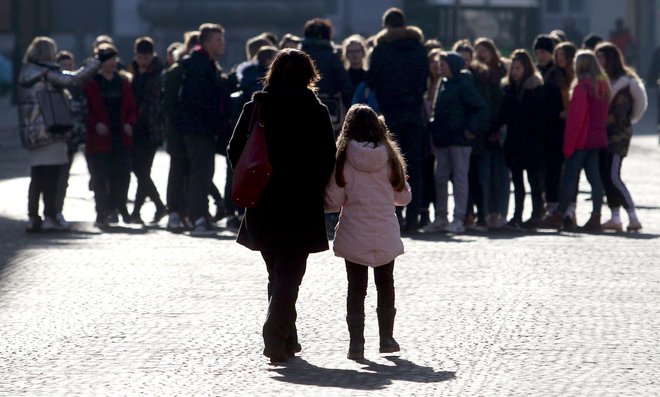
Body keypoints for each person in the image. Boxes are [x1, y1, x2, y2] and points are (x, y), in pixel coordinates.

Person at [227, 49, 336, 364]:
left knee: (276, 271)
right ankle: (275, 337)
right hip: (301, 202)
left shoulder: (257, 106)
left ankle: (287, 338)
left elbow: (235, 148)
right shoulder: (315, 110)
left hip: (263, 199)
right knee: (290, 274)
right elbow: (327, 157)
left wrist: (254, 180)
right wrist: (313, 185)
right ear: (308, 76)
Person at [324, 104, 411, 360]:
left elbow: (332, 201)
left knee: (356, 288)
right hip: (384, 231)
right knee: (386, 283)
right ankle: (386, 338)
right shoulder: (390, 158)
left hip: (354, 233)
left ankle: (356, 343)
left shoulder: (343, 159)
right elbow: (403, 197)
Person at [18, 36, 101, 232]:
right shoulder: (48, 73)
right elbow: (73, 80)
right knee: (53, 177)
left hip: (32, 133)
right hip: (51, 130)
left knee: (36, 176)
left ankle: (32, 217)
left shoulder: (27, 72)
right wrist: (94, 63)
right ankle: (50, 216)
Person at [366, 7, 428, 232]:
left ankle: (395, 213)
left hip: (390, 113)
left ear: (386, 26)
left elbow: (372, 79)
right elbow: (424, 81)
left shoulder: (381, 49)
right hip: (413, 112)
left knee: (391, 164)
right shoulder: (420, 49)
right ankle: (414, 215)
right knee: (415, 165)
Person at [542, 50, 610, 231]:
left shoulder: (582, 88)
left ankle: (559, 214)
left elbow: (576, 120)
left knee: (569, 178)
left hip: (581, 139)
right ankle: (596, 215)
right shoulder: (602, 86)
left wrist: (569, 145)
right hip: (597, 138)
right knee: (595, 179)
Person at [176, 23, 231, 235]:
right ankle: (198, 217)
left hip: (202, 127)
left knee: (204, 172)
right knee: (200, 173)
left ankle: (201, 215)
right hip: (198, 128)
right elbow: (200, 100)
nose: (223, 44)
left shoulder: (205, 62)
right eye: (219, 40)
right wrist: (216, 120)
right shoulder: (199, 64)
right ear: (207, 42)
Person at [426, 52, 488, 233]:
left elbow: (481, 108)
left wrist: (470, 129)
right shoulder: (442, 84)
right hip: (444, 139)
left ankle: (459, 217)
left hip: (460, 140)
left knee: (460, 178)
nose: (440, 67)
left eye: (443, 64)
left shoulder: (463, 85)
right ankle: (441, 217)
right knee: (440, 177)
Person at [83, 43, 138, 228]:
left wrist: (130, 123)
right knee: (100, 177)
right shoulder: (91, 83)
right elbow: (85, 110)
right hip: (99, 140)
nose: (112, 63)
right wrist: (95, 124)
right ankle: (101, 212)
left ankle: (115, 207)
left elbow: (132, 108)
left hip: (120, 137)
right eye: (108, 60)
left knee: (121, 175)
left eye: (114, 59)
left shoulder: (123, 82)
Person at [595, 42, 647, 232]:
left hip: (618, 136)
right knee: (605, 176)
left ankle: (632, 215)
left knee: (613, 176)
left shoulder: (622, 83)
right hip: (604, 135)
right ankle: (615, 217)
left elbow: (619, 113)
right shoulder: (603, 79)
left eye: (601, 57)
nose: (598, 60)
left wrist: (600, 119)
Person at [498, 50, 545, 229]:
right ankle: (517, 215)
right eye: (513, 68)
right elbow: (503, 114)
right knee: (517, 183)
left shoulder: (535, 88)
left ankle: (536, 214)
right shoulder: (509, 89)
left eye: (518, 68)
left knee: (534, 181)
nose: (515, 72)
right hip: (514, 143)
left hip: (532, 143)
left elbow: (539, 118)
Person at [127, 36, 167, 224]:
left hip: (151, 130)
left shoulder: (159, 73)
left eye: (146, 57)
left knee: (142, 171)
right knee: (140, 170)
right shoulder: (132, 72)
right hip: (135, 129)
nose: (143, 61)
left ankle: (139, 211)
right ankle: (158, 207)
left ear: (152, 55)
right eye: (140, 57)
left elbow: (157, 104)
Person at [543, 41, 578, 226]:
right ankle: (552, 209)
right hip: (554, 131)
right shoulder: (552, 77)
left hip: (574, 132)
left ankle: (570, 211)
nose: (559, 59)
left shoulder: (579, 77)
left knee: (572, 173)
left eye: (563, 56)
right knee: (553, 171)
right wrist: (559, 113)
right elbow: (546, 104)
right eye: (558, 56)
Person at [54, 50, 89, 228]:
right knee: (53, 176)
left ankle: (57, 210)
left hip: (73, 139)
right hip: (56, 139)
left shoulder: (78, 87)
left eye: (70, 66)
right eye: (63, 66)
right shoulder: (54, 86)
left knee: (64, 176)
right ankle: (51, 211)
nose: (67, 69)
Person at [301, 18, 353, 134]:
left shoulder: (299, 57)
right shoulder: (333, 57)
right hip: (330, 110)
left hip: (301, 110)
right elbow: (346, 88)